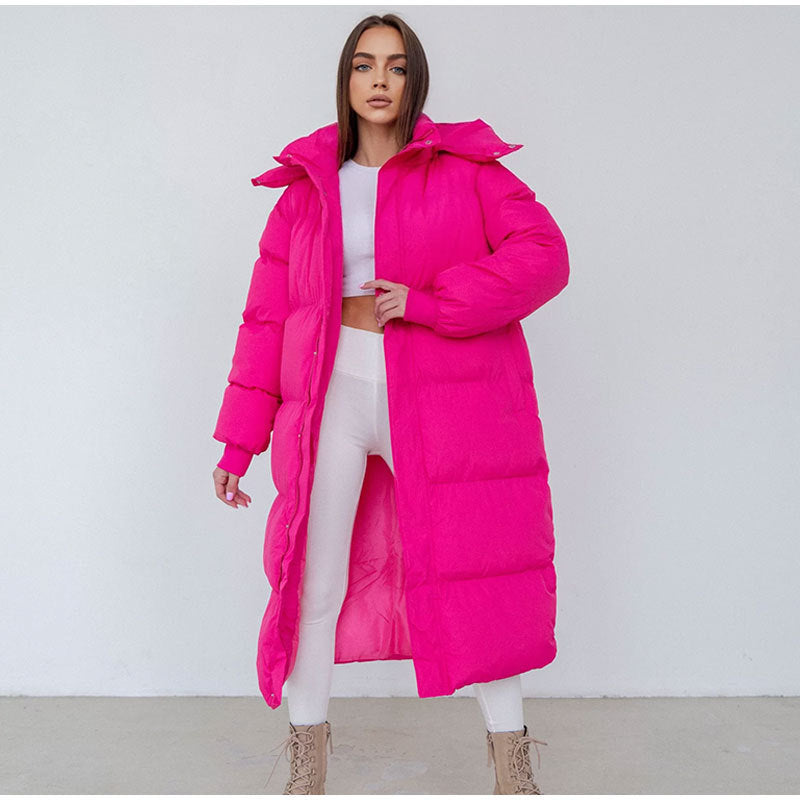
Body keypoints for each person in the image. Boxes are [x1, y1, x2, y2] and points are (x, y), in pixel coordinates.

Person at [211, 13, 568, 795]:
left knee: (475, 579)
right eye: (364, 65)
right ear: (345, 79)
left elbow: (545, 256)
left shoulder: (468, 172)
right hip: (333, 396)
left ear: (415, 80)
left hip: (439, 404)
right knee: (314, 583)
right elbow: (266, 320)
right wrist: (239, 443)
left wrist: (433, 303)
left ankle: (514, 774)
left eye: (397, 66)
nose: (379, 80)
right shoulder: (307, 192)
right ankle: (307, 772)